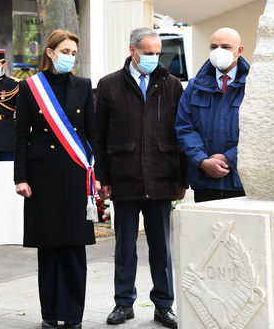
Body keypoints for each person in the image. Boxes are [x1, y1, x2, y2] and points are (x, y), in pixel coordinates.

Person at [95, 28, 187, 328]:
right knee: (125, 247)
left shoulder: (171, 84)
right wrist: (103, 178)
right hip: (124, 177)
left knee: (161, 248)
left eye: (157, 53)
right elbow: (99, 136)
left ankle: (164, 305)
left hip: (162, 177)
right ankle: (123, 303)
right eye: (149, 53)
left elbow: (182, 131)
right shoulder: (109, 85)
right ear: (132, 50)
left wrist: (182, 179)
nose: (154, 58)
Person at [14, 29, 99, 329]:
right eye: (64, 51)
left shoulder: (83, 85)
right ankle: (49, 313)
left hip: (76, 174)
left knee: (75, 249)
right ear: (50, 53)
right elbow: (21, 135)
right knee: (49, 248)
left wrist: (96, 175)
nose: (69, 57)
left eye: (73, 53)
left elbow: (91, 132)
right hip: (42, 177)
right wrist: (21, 177)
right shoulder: (30, 87)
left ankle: (73, 315)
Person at [175, 27, 248, 202]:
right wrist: (202, 161)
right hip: (205, 181)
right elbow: (184, 128)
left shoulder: (254, 86)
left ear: (239, 50)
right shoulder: (194, 87)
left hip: (242, 180)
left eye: (225, 47)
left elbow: (261, 131)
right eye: (214, 47)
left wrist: (230, 158)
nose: (218, 52)